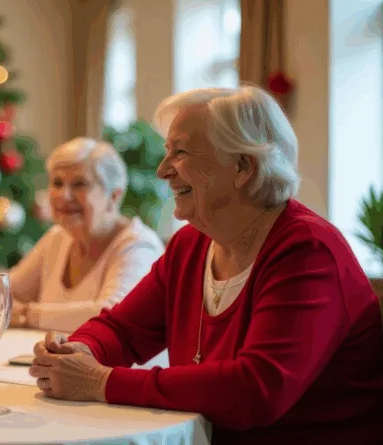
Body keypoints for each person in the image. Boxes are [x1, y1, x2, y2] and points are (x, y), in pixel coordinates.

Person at [29, 85, 383, 444]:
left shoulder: (308, 250)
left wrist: (100, 382)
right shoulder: (191, 244)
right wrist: (79, 350)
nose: (163, 170)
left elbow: (257, 389)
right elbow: (123, 328)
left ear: (243, 166)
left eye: (180, 153)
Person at [9, 137, 165, 332]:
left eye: (79, 184)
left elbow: (113, 314)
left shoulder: (139, 246)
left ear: (114, 195)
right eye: (57, 183)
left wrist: (27, 314)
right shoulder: (58, 237)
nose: (63, 195)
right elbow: (6, 292)